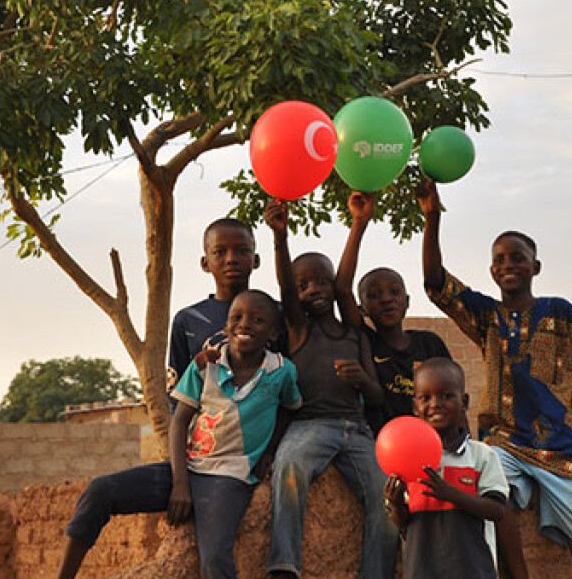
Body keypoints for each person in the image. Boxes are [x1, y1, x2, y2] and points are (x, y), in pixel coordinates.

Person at [416, 180, 572, 579]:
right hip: (505, 440)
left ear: (535, 267)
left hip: (564, 446)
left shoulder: (562, 313)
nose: (508, 265)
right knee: (496, 501)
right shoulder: (487, 317)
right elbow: (435, 284)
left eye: (518, 258)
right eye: (499, 260)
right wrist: (431, 217)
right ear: (492, 271)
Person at [57, 290, 301, 579]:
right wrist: (180, 484)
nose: (245, 324)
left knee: (214, 559)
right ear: (225, 327)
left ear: (273, 333)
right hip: (187, 469)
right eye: (236, 317)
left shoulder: (281, 372)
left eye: (257, 320)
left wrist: (270, 450)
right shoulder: (205, 366)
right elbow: (180, 421)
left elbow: (290, 409)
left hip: (229, 477)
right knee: (100, 490)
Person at [264, 198, 398, 579]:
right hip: (309, 424)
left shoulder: (355, 334)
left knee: (387, 496)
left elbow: (376, 396)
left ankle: (376, 573)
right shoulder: (297, 328)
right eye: (304, 285)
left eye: (322, 281)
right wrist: (280, 237)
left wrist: (362, 380)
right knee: (290, 468)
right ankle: (284, 565)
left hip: (357, 429)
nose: (315, 289)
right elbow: (285, 288)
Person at [336, 190, 452, 434]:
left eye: (394, 292)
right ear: (362, 309)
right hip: (383, 444)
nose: (386, 299)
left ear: (407, 301)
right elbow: (342, 289)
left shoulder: (429, 345)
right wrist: (359, 222)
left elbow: (453, 395)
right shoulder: (367, 342)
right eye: (374, 295)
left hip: (428, 442)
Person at [383, 357, 508, 579]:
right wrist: (396, 504)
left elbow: (497, 510)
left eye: (447, 396)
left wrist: (451, 494)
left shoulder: (481, 456)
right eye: (425, 398)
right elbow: (402, 524)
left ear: (464, 402)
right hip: (422, 571)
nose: (436, 404)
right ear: (415, 407)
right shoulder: (406, 459)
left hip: (473, 572)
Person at [167, 218, 262, 396]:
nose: (231, 259)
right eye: (220, 252)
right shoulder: (188, 320)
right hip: (207, 413)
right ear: (205, 263)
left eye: (242, 251)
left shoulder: (276, 314)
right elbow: (177, 389)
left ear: (255, 260)